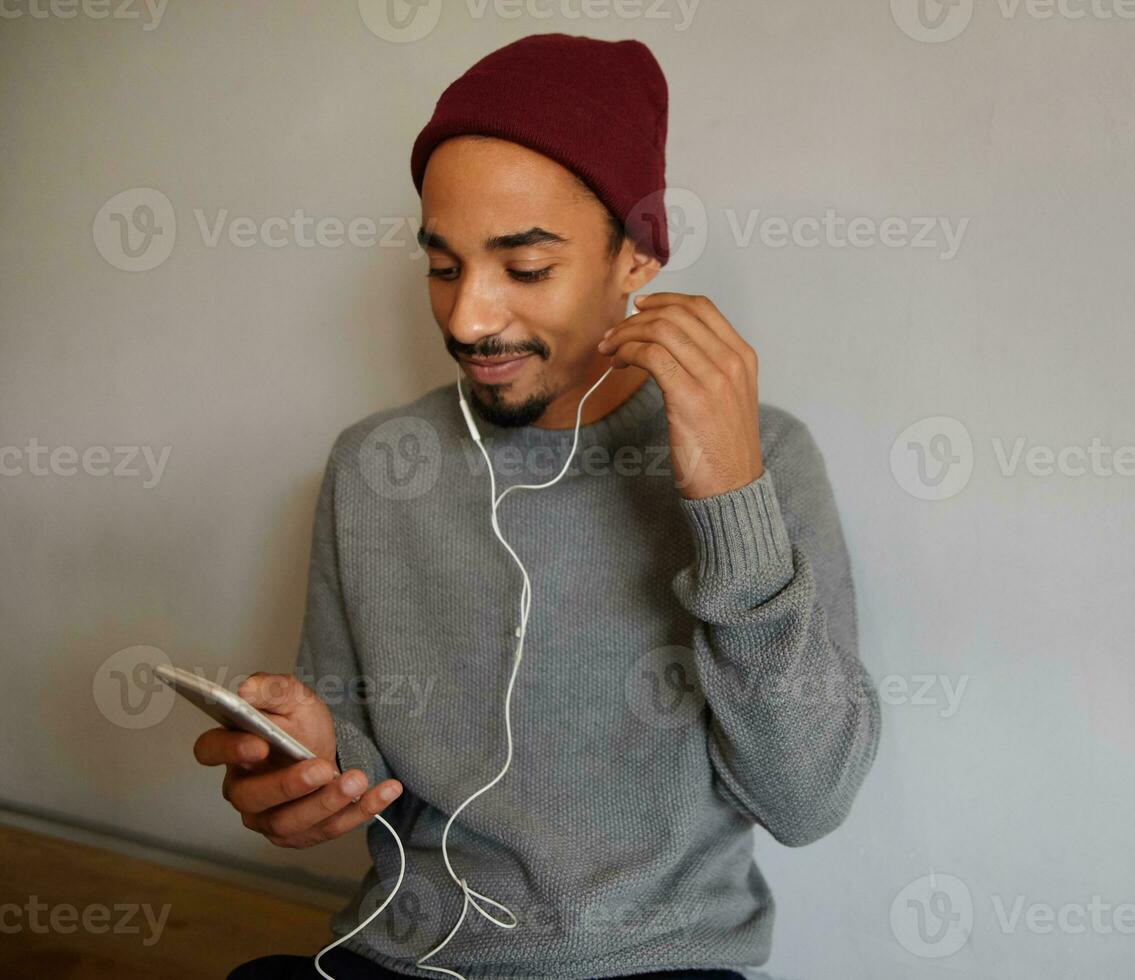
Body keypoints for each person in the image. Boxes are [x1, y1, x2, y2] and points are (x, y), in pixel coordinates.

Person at [194, 33, 881, 980]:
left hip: (656, 969)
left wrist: (728, 498)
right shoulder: (374, 468)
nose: (470, 319)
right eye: (443, 267)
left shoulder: (767, 461)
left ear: (635, 257)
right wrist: (307, 764)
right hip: (410, 960)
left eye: (524, 268)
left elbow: (808, 798)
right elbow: (358, 758)